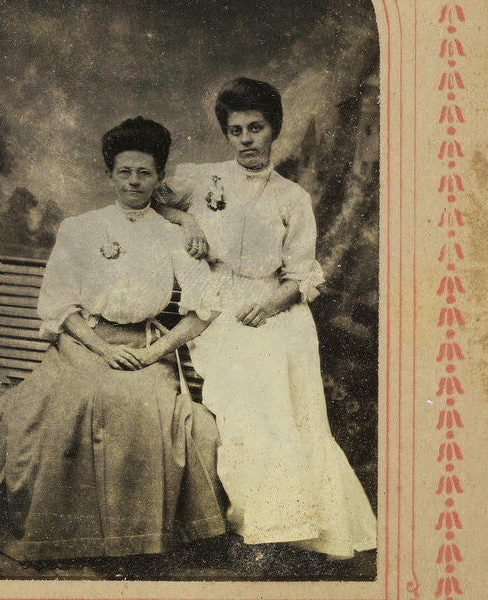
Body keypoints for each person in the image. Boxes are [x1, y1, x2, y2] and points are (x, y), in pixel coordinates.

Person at [0, 117, 225, 564]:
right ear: (109, 173)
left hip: (145, 346)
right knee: (62, 405)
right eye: (124, 171)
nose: (133, 181)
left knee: (142, 411)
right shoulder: (80, 228)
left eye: (144, 172)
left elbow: (204, 307)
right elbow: (60, 305)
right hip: (83, 344)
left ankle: (133, 546)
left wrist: (151, 353)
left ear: (158, 179)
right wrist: (103, 348)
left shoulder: (172, 236)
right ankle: (58, 540)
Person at [156, 77, 377, 559]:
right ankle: (260, 524)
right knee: (249, 399)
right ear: (227, 135)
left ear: (273, 129)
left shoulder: (291, 197)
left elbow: (303, 276)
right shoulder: (204, 179)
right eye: (236, 131)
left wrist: (272, 304)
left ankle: (296, 524)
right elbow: (152, 196)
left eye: (256, 128)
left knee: (284, 402)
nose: (246, 140)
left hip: (277, 309)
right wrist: (190, 222)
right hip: (220, 307)